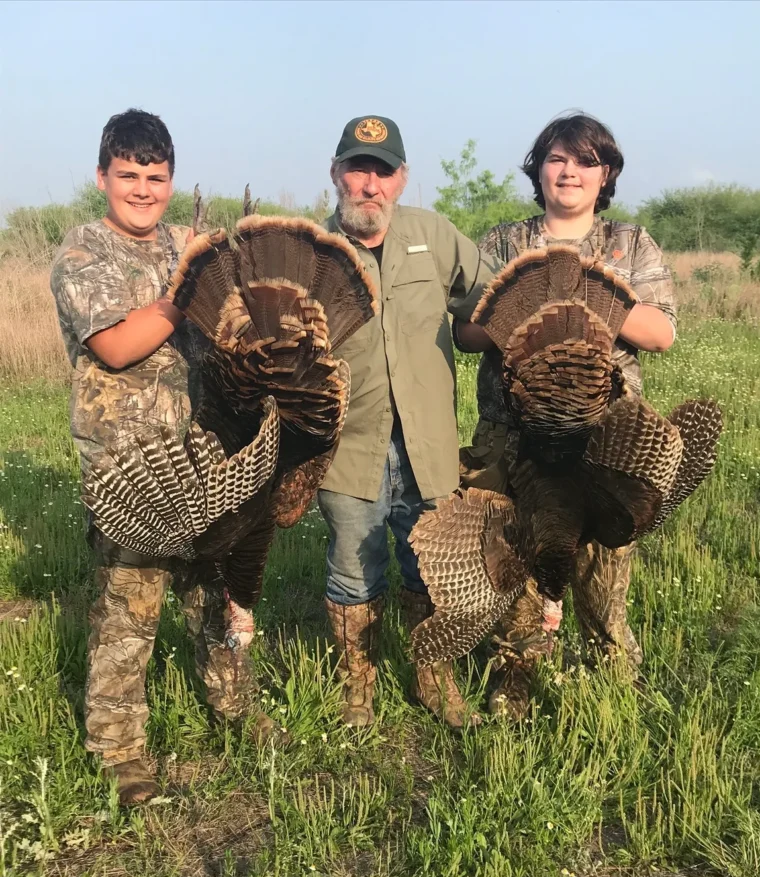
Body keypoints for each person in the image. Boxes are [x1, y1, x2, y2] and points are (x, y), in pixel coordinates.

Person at [50, 109, 280, 806]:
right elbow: (116, 347)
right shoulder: (82, 252)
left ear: (171, 179)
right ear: (102, 178)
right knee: (130, 606)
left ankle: (235, 707)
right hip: (133, 466)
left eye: (155, 177)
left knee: (216, 593)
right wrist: (187, 292)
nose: (143, 190)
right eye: (128, 177)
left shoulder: (188, 241)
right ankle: (120, 751)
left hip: (206, 454)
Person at [464, 112, 677, 719]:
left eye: (586, 161)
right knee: (516, 559)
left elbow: (660, 332)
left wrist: (585, 296)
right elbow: (468, 333)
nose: (570, 172)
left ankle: (614, 684)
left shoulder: (631, 244)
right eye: (558, 159)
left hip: (604, 437)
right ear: (540, 169)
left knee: (604, 565)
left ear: (605, 174)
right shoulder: (504, 242)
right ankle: (514, 681)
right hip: (514, 435)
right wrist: (523, 308)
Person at [320, 115, 497, 729]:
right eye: (357, 168)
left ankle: (436, 681)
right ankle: (358, 692)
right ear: (336, 173)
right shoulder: (312, 251)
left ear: (401, 179)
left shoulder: (436, 236)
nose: (369, 184)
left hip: (429, 444)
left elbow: (488, 305)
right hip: (347, 447)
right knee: (353, 572)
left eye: (382, 171)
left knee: (435, 568)